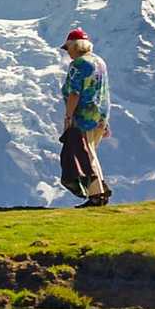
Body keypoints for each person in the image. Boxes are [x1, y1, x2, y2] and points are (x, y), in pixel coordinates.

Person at [61, 29, 113, 208]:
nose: (67, 53)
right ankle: (100, 190)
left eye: (68, 48)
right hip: (100, 115)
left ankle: (96, 195)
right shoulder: (100, 62)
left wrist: (68, 116)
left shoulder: (78, 65)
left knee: (84, 155)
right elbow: (103, 91)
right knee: (90, 152)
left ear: (75, 46)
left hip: (83, 115)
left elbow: (74, 93)